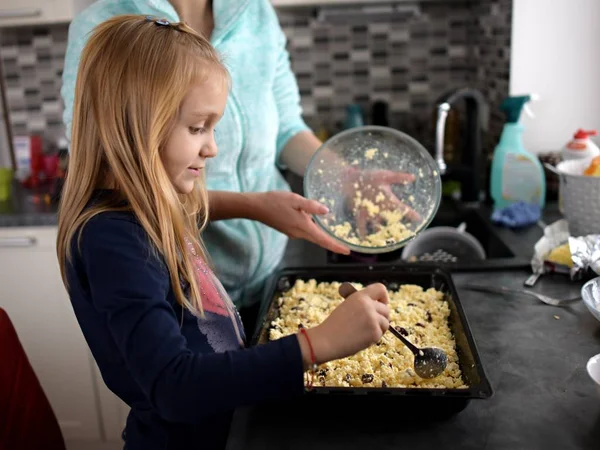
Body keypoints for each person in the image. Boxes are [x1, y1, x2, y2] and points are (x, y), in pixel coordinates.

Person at [56, 15, 391, 450]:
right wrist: (317, 342)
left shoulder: (146, 210)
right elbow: (174, 387)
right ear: (138, 124)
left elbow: (187, 208)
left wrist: (256, 205)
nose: (211, 147)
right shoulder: (113, 241)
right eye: (198, 128)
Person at [60, 0, 409, 333]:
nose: (211, 146)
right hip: (188, 280)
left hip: (271, 268)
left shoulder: (254, 12)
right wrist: (253, 206)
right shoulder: (105, 27)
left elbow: (286, 127)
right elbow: (115, 170)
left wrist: (347, 179)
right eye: (198, 129)